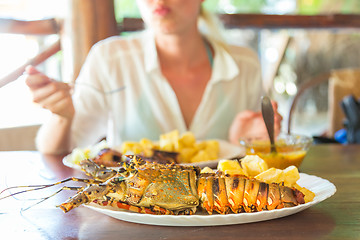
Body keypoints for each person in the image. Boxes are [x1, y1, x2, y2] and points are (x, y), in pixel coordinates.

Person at [25, 0, 282, 155]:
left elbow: (259, 157)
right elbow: (58, 150)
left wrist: (250, 141)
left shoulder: (244, 64)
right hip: (133, 215)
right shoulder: (110, 59)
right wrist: (62, 115)